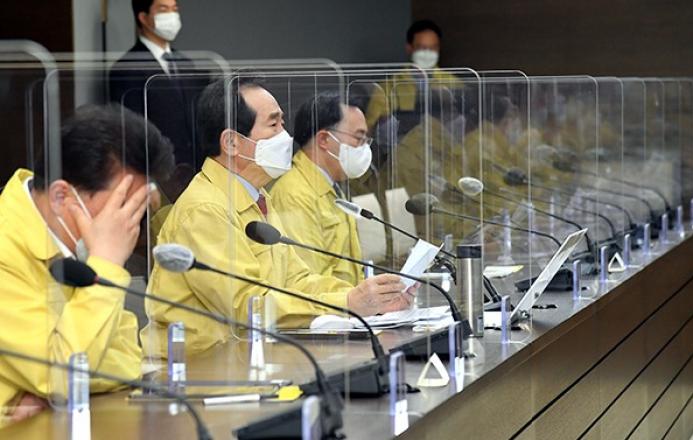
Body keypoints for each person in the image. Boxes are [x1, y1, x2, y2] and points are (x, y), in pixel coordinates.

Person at [142, 78, 414, 357]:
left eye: (283, 123)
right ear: (232, 142)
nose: (286, 136)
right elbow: (246, 306)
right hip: (200, 365)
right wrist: (346, 302)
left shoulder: (256, 196)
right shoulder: (205, 209)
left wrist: (369, 298)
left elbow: (297, 280)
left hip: (249, 355)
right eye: (273, 125)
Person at [0, 105, 174, 425]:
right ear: (61, 197)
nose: (128, 223)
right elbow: (63, 373)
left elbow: (128, 359)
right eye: (122, 205)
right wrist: (106, 261)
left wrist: (53, 387)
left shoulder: (75, 242)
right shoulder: (5, 247)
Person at [270, 92, 371, 285]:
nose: (364, 147)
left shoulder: (330, 185)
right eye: (359, 138)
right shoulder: (295, 194)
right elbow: (308, 281)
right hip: (329, 303)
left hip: (347, 299)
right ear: (324, 139)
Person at [109, 0, 202, 194]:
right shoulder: (127, 67)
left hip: (194, 173)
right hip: (158, 176)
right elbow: (130, 131)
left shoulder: (186, 63)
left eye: (174, 9)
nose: (172, 15)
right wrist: (147, 180)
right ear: (143, 17)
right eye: (163, 9)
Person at [363, 20, 462, 133]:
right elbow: (369, 128)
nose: (427, 53)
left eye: (433, 48)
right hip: (402, 143)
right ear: (409, 48)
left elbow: (465, 125)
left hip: (443, 142)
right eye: (422, 47)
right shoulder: (387, 87)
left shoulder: (453, 82)